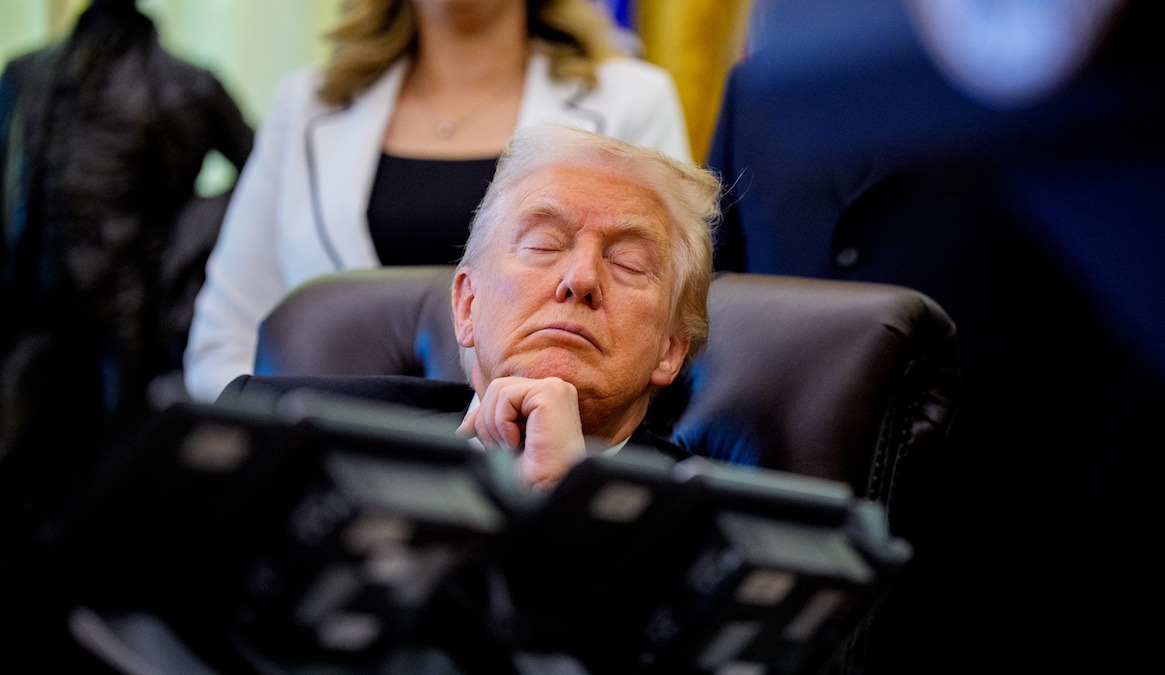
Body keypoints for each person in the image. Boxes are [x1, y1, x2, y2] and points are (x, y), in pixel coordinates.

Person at [706, 0, 1165, 672]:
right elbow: (720, 310)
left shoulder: (1054, 67)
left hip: (1029, 567)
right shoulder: (767, 86)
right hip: (804, 573)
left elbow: (1132, 352)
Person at [184, 0, 694, 404]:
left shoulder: (633, 100)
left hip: (537, 470)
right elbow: (224, 340)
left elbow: (666, 317)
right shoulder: (306, 103)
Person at [221, 122, 720, 493]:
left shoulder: (714, 528)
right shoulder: (273, 430)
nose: (582, 278)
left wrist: (568, 501)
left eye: (629, 263)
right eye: (544, 244)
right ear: (466, 303)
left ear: (671, 351)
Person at [0, 0, 254, 667]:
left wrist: (187, 243)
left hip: (131, 307)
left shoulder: (188, 84)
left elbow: (261, 180)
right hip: (35, 310)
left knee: (121, 484)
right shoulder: (27, 74)